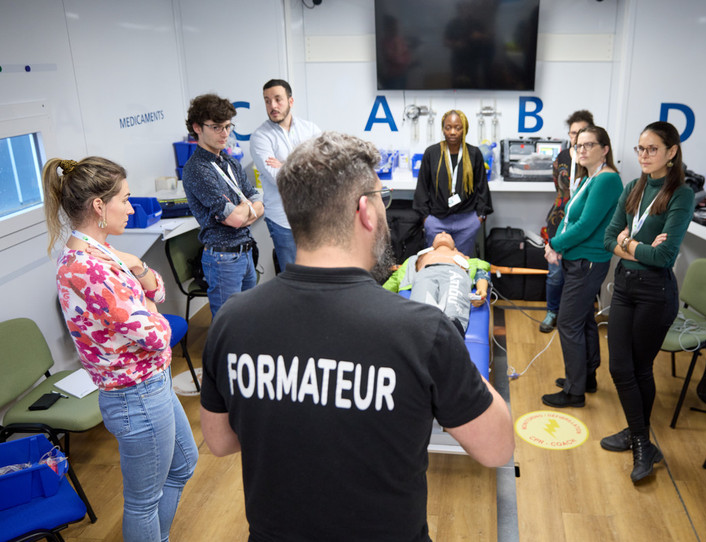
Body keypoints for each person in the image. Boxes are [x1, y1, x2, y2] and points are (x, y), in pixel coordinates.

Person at [200, 132, 514, 541]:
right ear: (366, 211)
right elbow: (497, 448)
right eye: (381, 198)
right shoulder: (423, 331)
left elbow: (220, 441)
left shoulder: (231, 321)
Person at [43, 157, 197, 542]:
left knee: (184, 464)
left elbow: (159, 291)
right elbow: (157, 335)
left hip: (153, 383)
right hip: (138, 397)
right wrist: (149, 305)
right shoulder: (88, 268)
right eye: (125, 200)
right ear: (99, 206)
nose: (131, 208)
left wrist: (140, 269)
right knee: (143, 501)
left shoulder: (105, 253)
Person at [600, 121, 694, 483]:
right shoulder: (632, 188)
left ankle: (640, 441)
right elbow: (609, 238)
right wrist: (637, 248)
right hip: (624, 287)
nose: (644, 155)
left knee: (638, 369)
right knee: (620, 368)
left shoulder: (681, 195)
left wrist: (628, 246)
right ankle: (639, 435)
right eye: (640, 149)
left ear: (671, 152)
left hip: (656, 294)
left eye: (652, 149)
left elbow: (666, 257)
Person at [540, 126, 623, 408]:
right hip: (578, 259)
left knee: (568, 322)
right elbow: (570, 218)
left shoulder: (607, 181)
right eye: (579, 146)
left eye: (590, 145)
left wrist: (556, 245)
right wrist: (557, 243)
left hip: (588, 261)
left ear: (605, 149)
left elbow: (586, 225)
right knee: (584, 319)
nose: (582, 150)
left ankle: (574, 393)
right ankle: (585, 378)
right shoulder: (591, 177)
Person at [183, 93, 264, 318]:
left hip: (245, 252)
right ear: (197, 128)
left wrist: (246, 207)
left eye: (228, 126)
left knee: (248, 319)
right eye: (217, 127)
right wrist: (249, 208)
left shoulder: (228, 162)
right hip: (223, 259)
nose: (225, 133)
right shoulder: (198, 169)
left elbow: (259, 200)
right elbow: (235, 219)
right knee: (228, 324)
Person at [250, 78, 321, 272]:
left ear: (290, 101)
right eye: (267, 100)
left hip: (312, 216)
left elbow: (323, 172)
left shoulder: (311, 129)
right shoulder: (260, 137)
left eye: (277, 99)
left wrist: (286, 164)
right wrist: (304, 165)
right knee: (293, 276)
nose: (272, 105)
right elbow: (277, 178)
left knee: (318, 272)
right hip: (282, 220)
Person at [539, 110, 594, 333]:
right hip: (559, 220)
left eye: (581, 132)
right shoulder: (562, 157)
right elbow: (559, 188)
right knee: (555, 273)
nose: (576, 137)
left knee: (578, 275)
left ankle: (574, 317)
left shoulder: (594, 160)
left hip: (582, 223)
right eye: (573, 133)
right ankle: (552, 311)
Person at [413, 109, 493, 257]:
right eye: (448, 127)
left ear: (464, 129)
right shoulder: (432, 153)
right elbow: (422, 187)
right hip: (436, 221)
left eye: (457, 127)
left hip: (467, 221)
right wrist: (426, 219)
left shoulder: (474, 153)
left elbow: (482, 187)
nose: (452, 132)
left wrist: (479, 218)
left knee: (460, 264)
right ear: (443, 129)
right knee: (436, 262)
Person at [383, 231, 490, 336]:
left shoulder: (465, 258)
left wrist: (482, 289)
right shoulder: (419, 258)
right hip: (425, 274)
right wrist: (376, 298)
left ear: (455, 246)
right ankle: (420, 329)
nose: (443, 233)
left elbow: (481, 272)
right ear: (431, 245)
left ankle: (452, 331)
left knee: (453, 305)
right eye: (439, 235)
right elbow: (395, 280)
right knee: (422, 305)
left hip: (455, 273)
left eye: (448, 235)